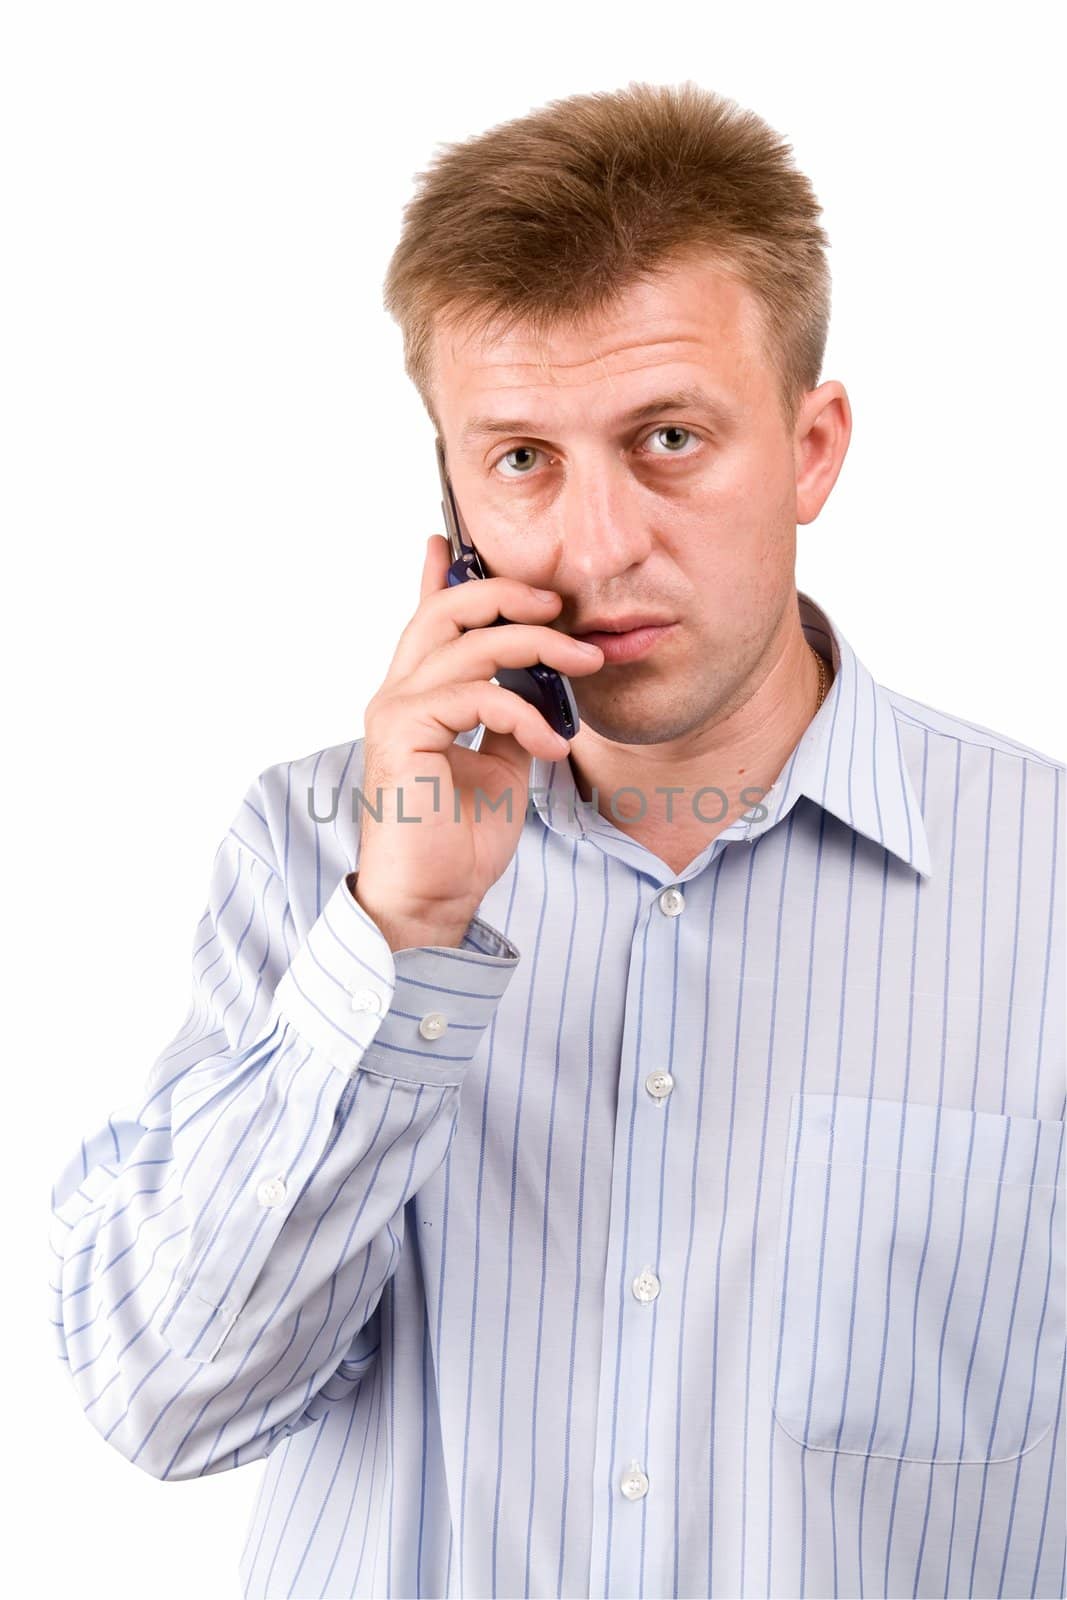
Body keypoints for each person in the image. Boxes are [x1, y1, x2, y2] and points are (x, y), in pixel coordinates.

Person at [49, 81, 1065, 1600]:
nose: (592, 551)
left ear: (812, 448)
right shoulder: (309, 852)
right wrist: (396, 939)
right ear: (450, 499)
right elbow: (167, 1401)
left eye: (668, 439)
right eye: (521, 458)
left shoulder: (1044, 886)